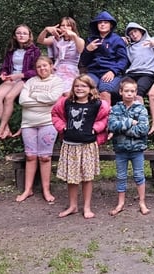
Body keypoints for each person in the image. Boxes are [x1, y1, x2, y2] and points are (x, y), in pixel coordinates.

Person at [51, 75, 110, 219]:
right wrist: (62, 127)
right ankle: (72, 206)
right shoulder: (66, 102)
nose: (79, 89)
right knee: (72, 178)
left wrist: (95, 128)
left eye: (83, 86)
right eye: (77, 86)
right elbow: (54, 114)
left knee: (87, 177)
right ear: (73, 88)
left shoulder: (98, 104)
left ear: (90, 89)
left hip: (88, 145)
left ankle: (87, 207)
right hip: (70, 145)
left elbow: (106, 118)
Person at [15, 56, 66, 203]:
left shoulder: (57, 81)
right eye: (39, 67)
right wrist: (43, 100)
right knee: (30, 156)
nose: (42, 69)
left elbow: (53, 99)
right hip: (28, 124)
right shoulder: (30, 82)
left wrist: (34, 96)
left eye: (45, 66)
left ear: (51, 66)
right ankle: (27, 189)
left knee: (45, 157)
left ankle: (46, 190)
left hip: (48, 122)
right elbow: (22, 100)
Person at [0, 24, 41, 145]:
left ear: (29, 36)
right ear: (14, 36)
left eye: (24, 33)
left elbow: (36, 70)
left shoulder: (34, 51)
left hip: (24, 79)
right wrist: (3, 74)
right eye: (18, 33)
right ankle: (6, 129)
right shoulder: (11, 50)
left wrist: (20, 75)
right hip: (11, 78)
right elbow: (5, 67)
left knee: (9, 97)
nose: (21, 35)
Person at [108, 77, 151, 216]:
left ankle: (142, 202)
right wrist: (130, 122)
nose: (129, 94)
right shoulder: (115, 108)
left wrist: (123, 127)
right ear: (120, 91)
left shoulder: (141, 109)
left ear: (136, 93)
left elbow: (143, 130)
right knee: (121, 176)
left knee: (139, 175)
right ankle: (120, 203)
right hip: (120, 149)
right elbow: (111, 125)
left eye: (132, 91)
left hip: (137, 149)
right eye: (126, 91)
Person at [80, 11, 128, 106]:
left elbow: (123, 60)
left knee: (104, 90)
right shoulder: (91, 40)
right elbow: (84, 62)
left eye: (105, 22)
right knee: (83, 87)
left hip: (110, 71)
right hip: (93, 72)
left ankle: (105, 119)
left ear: (110, 25)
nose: (102, 24)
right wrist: (88, 50)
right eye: (100, 22)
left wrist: (113, 71)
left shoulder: (117, 40)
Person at [37, 17, 85, 91]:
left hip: (70, 70)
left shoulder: (79, 40)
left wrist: (74, 36)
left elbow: (80, 50)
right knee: (53, 89)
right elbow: (40, 41)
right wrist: (45, 30)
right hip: (56, 68)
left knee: (66, 91)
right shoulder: (55, 39)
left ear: (73, 28)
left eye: (68, 25)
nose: (65, 27)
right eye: (63, 25)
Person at [124, 22, 154, 105]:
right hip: (132, 73)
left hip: (147, 73)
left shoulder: (152, 40)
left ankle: (139, 116)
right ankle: (123, 115)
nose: (133, 35)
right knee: (121, 90)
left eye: (135, 31)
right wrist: (121, 42)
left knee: (138, 92)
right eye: (131, 34)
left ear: (141, 31)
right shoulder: (130, 48)